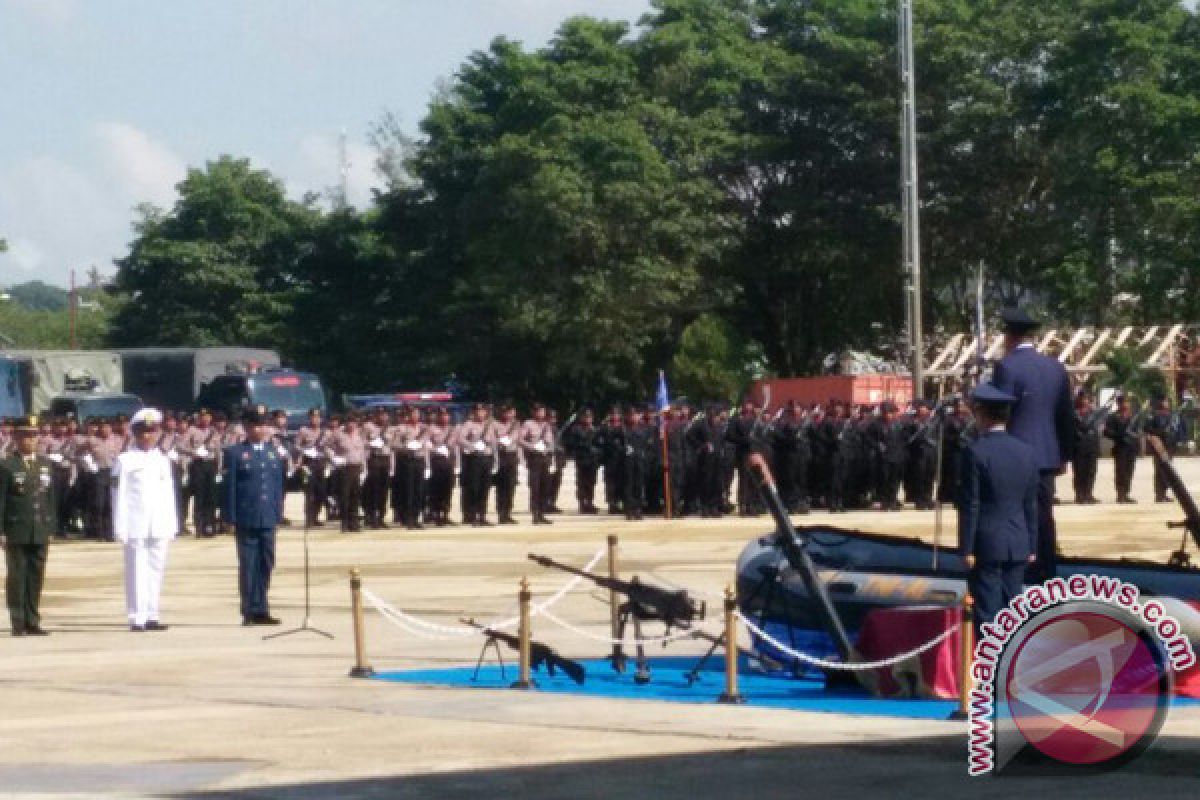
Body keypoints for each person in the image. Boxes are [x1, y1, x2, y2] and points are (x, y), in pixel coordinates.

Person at [991, 306, 1075, 578]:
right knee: (1043, 514)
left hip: (1014, 454)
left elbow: (1000, 412)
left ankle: (1021, 569)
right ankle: (1046, 568)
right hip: (1048, 454)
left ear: (1008, 336)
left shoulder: (1006, 367)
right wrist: (1064, 454)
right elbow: (1065, 416)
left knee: (1013, 513)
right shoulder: (1055, 367)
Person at [958, 384, 1039, 625]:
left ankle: (991, 662)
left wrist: (967, 548)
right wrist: (1032, 544)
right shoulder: (1026, 451)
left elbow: (971, 504)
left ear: (981, 414)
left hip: (987, 543)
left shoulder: (975, 452)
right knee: (1014, 613)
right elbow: (1030, 502)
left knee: (987, 613)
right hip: (1018, 541)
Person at [112, 409, 177, 632]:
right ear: (135, 433)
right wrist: (120, 527)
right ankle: (136, 617)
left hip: (158, 523)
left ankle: (152, 614)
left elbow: (169, 495)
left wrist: (172, 524)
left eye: (152, 431)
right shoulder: (125, 460)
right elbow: (118, 495)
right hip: (135, 524)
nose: (148, 436)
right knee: (136, 571)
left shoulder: (162, 460)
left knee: (156, 569)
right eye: (143, 432)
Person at [221, 410, 284, 626]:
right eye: (257, 425)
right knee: (248, 564)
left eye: (265, 425)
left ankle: (262, 607)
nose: (262, 429)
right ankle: (249, 610)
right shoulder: (236, 453)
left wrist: (278, 513)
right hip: (246, 516)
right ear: (247, 428)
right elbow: (229, 488)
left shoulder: (272, 452)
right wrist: (229, 517)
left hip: (267, 517)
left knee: (267, 562)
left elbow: (277, 486)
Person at [0, 416, 56, 636]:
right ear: (15, 437)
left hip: (39, 527)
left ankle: (33, 619)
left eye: (33, 436)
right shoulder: (7, 466)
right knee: (17, 577)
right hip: (16, 528)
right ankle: (18, 621)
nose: (29, 440)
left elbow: (51, 498)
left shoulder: (45, 464)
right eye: (24, 436)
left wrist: (51, 527)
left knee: (36, 575)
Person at [457, 404, 496, 526]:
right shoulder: (469, 424)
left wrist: (494, 459)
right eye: (479, 411)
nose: (481, 414)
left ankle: (482, 515)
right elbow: (460, 439)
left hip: (486, 458)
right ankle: (472, 515)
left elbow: (493, 442)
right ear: (474, 412)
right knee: (474, 487)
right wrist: (473, 446)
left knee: (485, 488)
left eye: (483, 411)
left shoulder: (489, 425)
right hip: (474, 459)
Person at [518, 403, 555, 525]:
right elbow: (520, 440)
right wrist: (532, 447)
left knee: (545, 486)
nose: (541, 413)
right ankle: (535, 514)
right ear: (533, 412)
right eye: (538, 411)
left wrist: (548, 450)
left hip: (545, 457)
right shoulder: (528, 424)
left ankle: (542, 513)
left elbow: (550, 442)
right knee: (535, 487)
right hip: (534, 459)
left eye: (542, 411)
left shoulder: (547, 425)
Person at [1104, 394, 1140, 504]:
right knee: (1121, 471)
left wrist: (1135, 436)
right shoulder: (1113, 417)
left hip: (1131, 447)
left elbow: (1138, 430)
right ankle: (1120, 494)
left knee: (1129, 471)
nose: (1126, 404)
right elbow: (1106, 432)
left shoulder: (1133, 416)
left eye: (1127, 402)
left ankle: (1126, 493)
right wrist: (1118, 435)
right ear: (1119, 404)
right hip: (1120, 447)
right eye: (1124, 402)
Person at [1071, 391, 1102, 504]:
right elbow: (1072, 428)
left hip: (1092, 445)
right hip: (1079, 446)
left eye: (1087, 399)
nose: (1085, 401)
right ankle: (1079, 495)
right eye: (1083, 399)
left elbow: (1097, 427)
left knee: (1091, 470)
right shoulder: (1074, 413)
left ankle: (1088, 494)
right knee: (1080, 471)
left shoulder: (1093, 413)